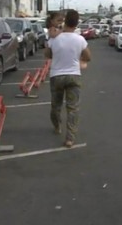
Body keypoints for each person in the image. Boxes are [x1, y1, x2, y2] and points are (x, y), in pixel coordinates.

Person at [44, 10, 91, 148]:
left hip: (56, 76)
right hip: (73, 76)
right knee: (73, 108)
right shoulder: (80, 39)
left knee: (56, 105)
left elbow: (47, 55)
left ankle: (57, 126)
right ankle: (70, 138)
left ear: (65, 21)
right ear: (76, 24)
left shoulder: (54, 38)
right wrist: (78, 59)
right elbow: (88, 57)